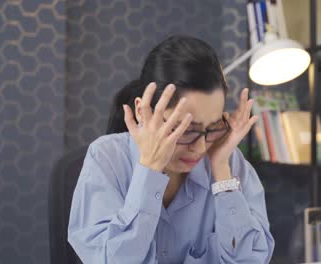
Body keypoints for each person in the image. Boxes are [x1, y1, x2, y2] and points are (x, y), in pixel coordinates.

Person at [68, 35, 275, 263]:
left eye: (213, 127)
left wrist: (220, 171)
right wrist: (150, 169)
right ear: (142, 111)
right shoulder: (106, 158)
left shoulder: (228, 161)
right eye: (185, 129)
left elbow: (250, 260)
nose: (199, 147)